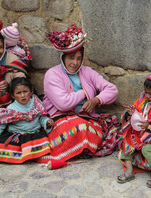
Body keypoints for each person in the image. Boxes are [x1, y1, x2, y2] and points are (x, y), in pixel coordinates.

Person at [39, 23, 120, 162]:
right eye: (71, 57)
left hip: (86, 118)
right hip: (60, 118)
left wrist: (96, 100)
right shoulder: (52, 75)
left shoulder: (87, 72)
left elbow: (112, 90)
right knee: (78, 128)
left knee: (103, 125)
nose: (75, 63)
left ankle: (82, 146)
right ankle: (81, 146)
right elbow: (63, 104)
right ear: (63, 57)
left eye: (79, 58)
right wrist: (85, 93)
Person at [0, 77, 53, 163]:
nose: (22, 95)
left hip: (34, 134)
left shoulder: (37, 103)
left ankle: (29, 155)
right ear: (13, 95)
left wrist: (46, 121)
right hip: (17, 136)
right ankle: (27, 155)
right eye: (18, 93)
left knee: (45, 143)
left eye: (25, 91)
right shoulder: (11, 109)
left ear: (31, 91)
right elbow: (0, 125)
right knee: (3, 148)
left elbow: (41, 117)